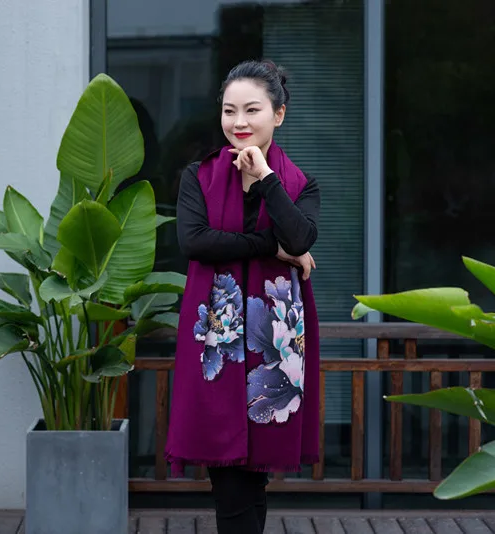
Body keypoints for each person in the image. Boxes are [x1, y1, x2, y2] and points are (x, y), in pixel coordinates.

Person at [164, 59, 321, 534]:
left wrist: (267, 179)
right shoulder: (199, 176)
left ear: (279, 114)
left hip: (275, 346)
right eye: (229, 111)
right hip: (217, 340)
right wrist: (270, 248)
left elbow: (300, 237)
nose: (239, 122)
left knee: (253, 481)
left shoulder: (299, 184)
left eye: (252, 110)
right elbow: (196, 242)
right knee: (230, 481)